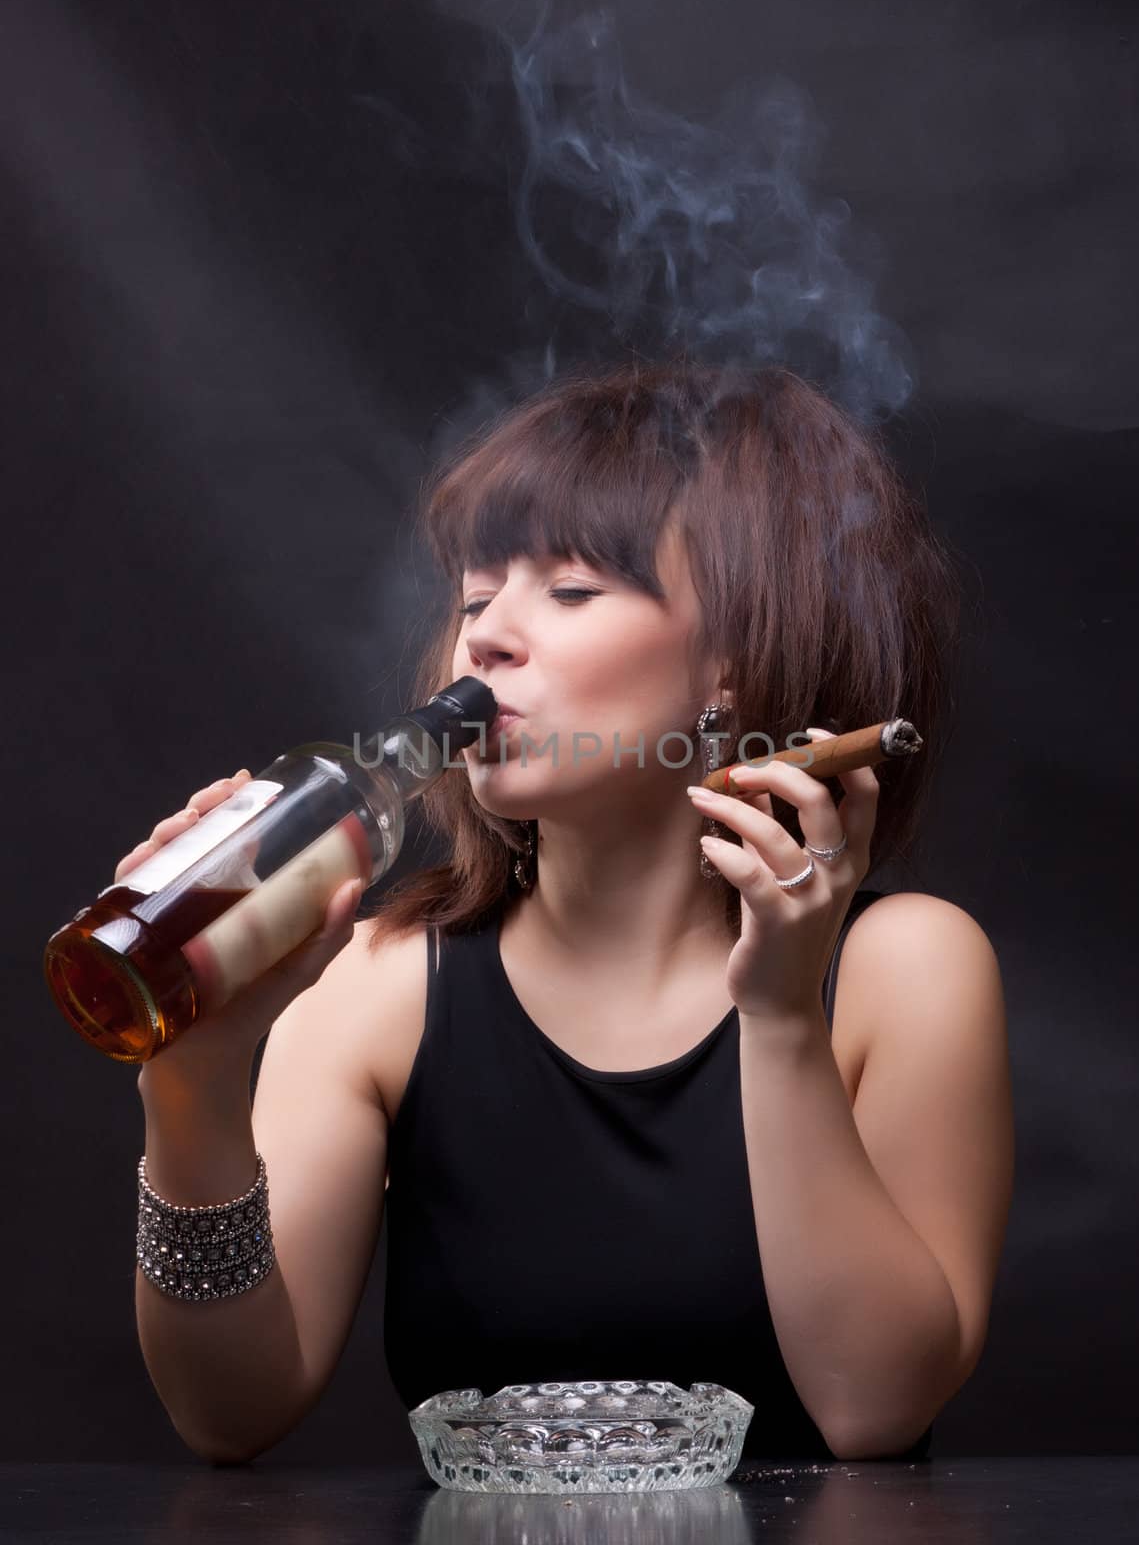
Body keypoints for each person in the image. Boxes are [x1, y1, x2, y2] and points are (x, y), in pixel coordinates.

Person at [131, 360, 1014, 1467]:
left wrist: (782, 1017)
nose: (484, 639)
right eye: (473, 597)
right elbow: (229, 1411)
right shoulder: (380, 980)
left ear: (729, 663)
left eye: (570, 588)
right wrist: (194, 1084)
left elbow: (872, 1407)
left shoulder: (903, 968)